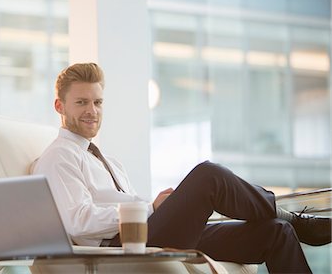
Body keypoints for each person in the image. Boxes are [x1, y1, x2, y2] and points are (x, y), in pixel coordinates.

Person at [33, 62, 331, 273]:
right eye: (81, 102)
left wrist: (161, 208)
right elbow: (78, 222)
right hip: (120, 248)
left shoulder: (106, 159)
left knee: (275, 233)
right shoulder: (59, 157)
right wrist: (149, 208)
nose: (92, 111)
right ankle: (293, 217)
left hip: (146, 233)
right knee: (208, 176)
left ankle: (286, 221)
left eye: (97, 102)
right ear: (60, 106)